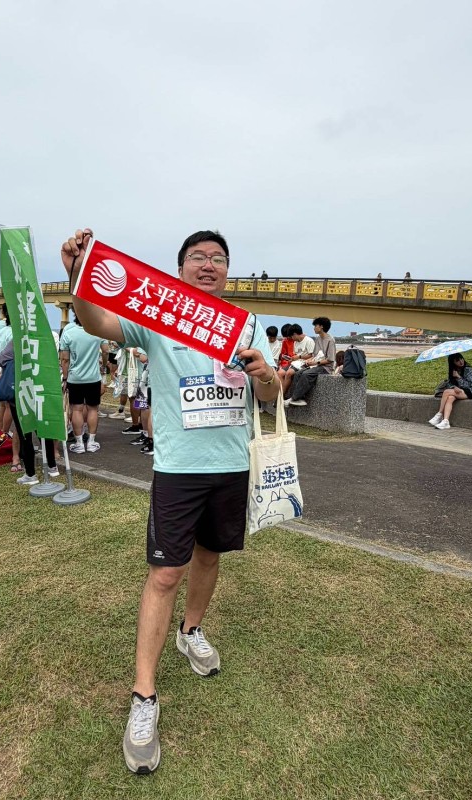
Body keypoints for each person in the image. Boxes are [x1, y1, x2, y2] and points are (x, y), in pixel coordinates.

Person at [61, 227, 278, 775]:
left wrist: (266, 374)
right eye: (197, 257)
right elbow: (97, 322)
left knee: (210, 556)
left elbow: (272, 391)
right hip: (178, 468)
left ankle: (191, 631)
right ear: (180, 268)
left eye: (218, 258)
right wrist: (78, 277)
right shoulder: (161, 315)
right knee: (165, 574)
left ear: (227, 270)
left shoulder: (247, 323)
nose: (209, 265)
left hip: (231, 465)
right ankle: (144, 696)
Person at [0, 340, 59, 485]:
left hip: (21, 391)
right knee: (43, 430)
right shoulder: (41, 338)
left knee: (24, 432)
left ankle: (30, 473)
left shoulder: (18, 339)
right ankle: (52, 466)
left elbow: (1, 359)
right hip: (39, 390)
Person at [59, 317, 109, 453]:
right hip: (93, 377)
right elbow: (105, 350)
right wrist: (104, 365)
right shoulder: (97, 330)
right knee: (93, 409)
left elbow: (64, 359)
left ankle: (79, 443)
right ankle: (91, 442)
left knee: (76, 410)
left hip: (74, 378)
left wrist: (65, 378)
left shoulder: (68, 332)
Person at [285, 317, 336, 406]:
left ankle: (295, 398)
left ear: (321, 326)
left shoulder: (330, 340)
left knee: (306, 374)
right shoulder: (318, 339)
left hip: (326, 367)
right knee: (298, 373)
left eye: (316, 326)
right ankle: (296, 397)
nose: (314, 328)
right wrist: (309, 360)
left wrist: (316, 363)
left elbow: (330, 359)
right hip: (317, 364)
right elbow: (315, 355)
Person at [428, 353, 472, 430]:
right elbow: (450, 383)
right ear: (453, 362)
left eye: (461, 358)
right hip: (460, 391)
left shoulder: (468, 369)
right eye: (457, 360)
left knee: (446, 392)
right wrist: (454, 387)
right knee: (450, 398)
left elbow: (469, 385)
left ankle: (439, 414)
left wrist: (458, 377)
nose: (461, 361)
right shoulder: (453, 370)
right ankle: (446, 421)